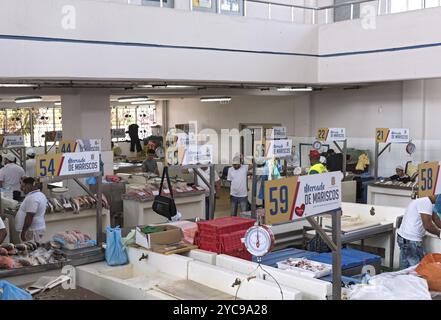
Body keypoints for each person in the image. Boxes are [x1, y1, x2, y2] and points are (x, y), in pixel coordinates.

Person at [397, 195, 441, 269]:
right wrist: (439, 233)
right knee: (418, 269)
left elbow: (435, 218)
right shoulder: (425, 202)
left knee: (405, 269)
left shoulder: (429, 202)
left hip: (404, 238)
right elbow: (427, 225)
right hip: (411, 241)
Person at [15, 177, 47, 242]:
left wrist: (24, 232)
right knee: (35, 249)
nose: (22, 189)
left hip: (32, 230)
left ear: (29, 185)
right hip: (36, 229)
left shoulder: (32, 198)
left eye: (23, 186)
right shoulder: (40, 194)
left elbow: (29, 216)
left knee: (30, 249)